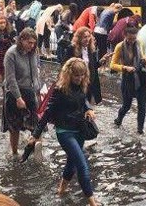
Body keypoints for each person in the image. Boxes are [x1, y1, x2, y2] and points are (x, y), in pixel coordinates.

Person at [28, 58, 98, 206]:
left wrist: (89, 109)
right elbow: (47, 113)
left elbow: (83, 101)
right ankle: (92, 202)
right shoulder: (60, 90)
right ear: (69, 74)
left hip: (80, 130)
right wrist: (35, 134)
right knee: (82, 164)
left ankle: (61, 190)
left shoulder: (82, 86)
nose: (79, 78)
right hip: (65, 132)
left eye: (82, 75)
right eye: (76, 75)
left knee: (71, 164)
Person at [2, 28, 41, 156]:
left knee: (37, 124)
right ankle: (14, 153)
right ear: (21, 40)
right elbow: (10, 78)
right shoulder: (11, 54)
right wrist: (18, 98)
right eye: (29, 42)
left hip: (30, 91)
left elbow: (35, 73)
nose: (32, 45)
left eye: (34, 43)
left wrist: (38, 91)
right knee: (15, 126)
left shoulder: (34, 52)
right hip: (14, 93)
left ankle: (36, 149)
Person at [111, 25, 146, 134]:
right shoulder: (119, 47)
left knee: (142, 107)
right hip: (127, 80)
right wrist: (124, 68)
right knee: (126, 106)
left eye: (134, 38)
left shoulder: (139, 43)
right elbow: (112, 65)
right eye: (130, 39)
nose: (132, 41)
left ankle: (140, 130)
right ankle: (118, 120)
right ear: (125, 36)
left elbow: (142, 56)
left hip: (141, 78)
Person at [61, 27, 109, 105]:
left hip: (88, 83)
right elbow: (64, 66)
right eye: (85, 37)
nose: (87, 39)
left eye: (88, 36)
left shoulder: (90, 50)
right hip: (76, 82)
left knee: (87, 106)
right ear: (79, 38)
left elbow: (93, 67)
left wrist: (101, 61)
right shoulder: (72, 48)